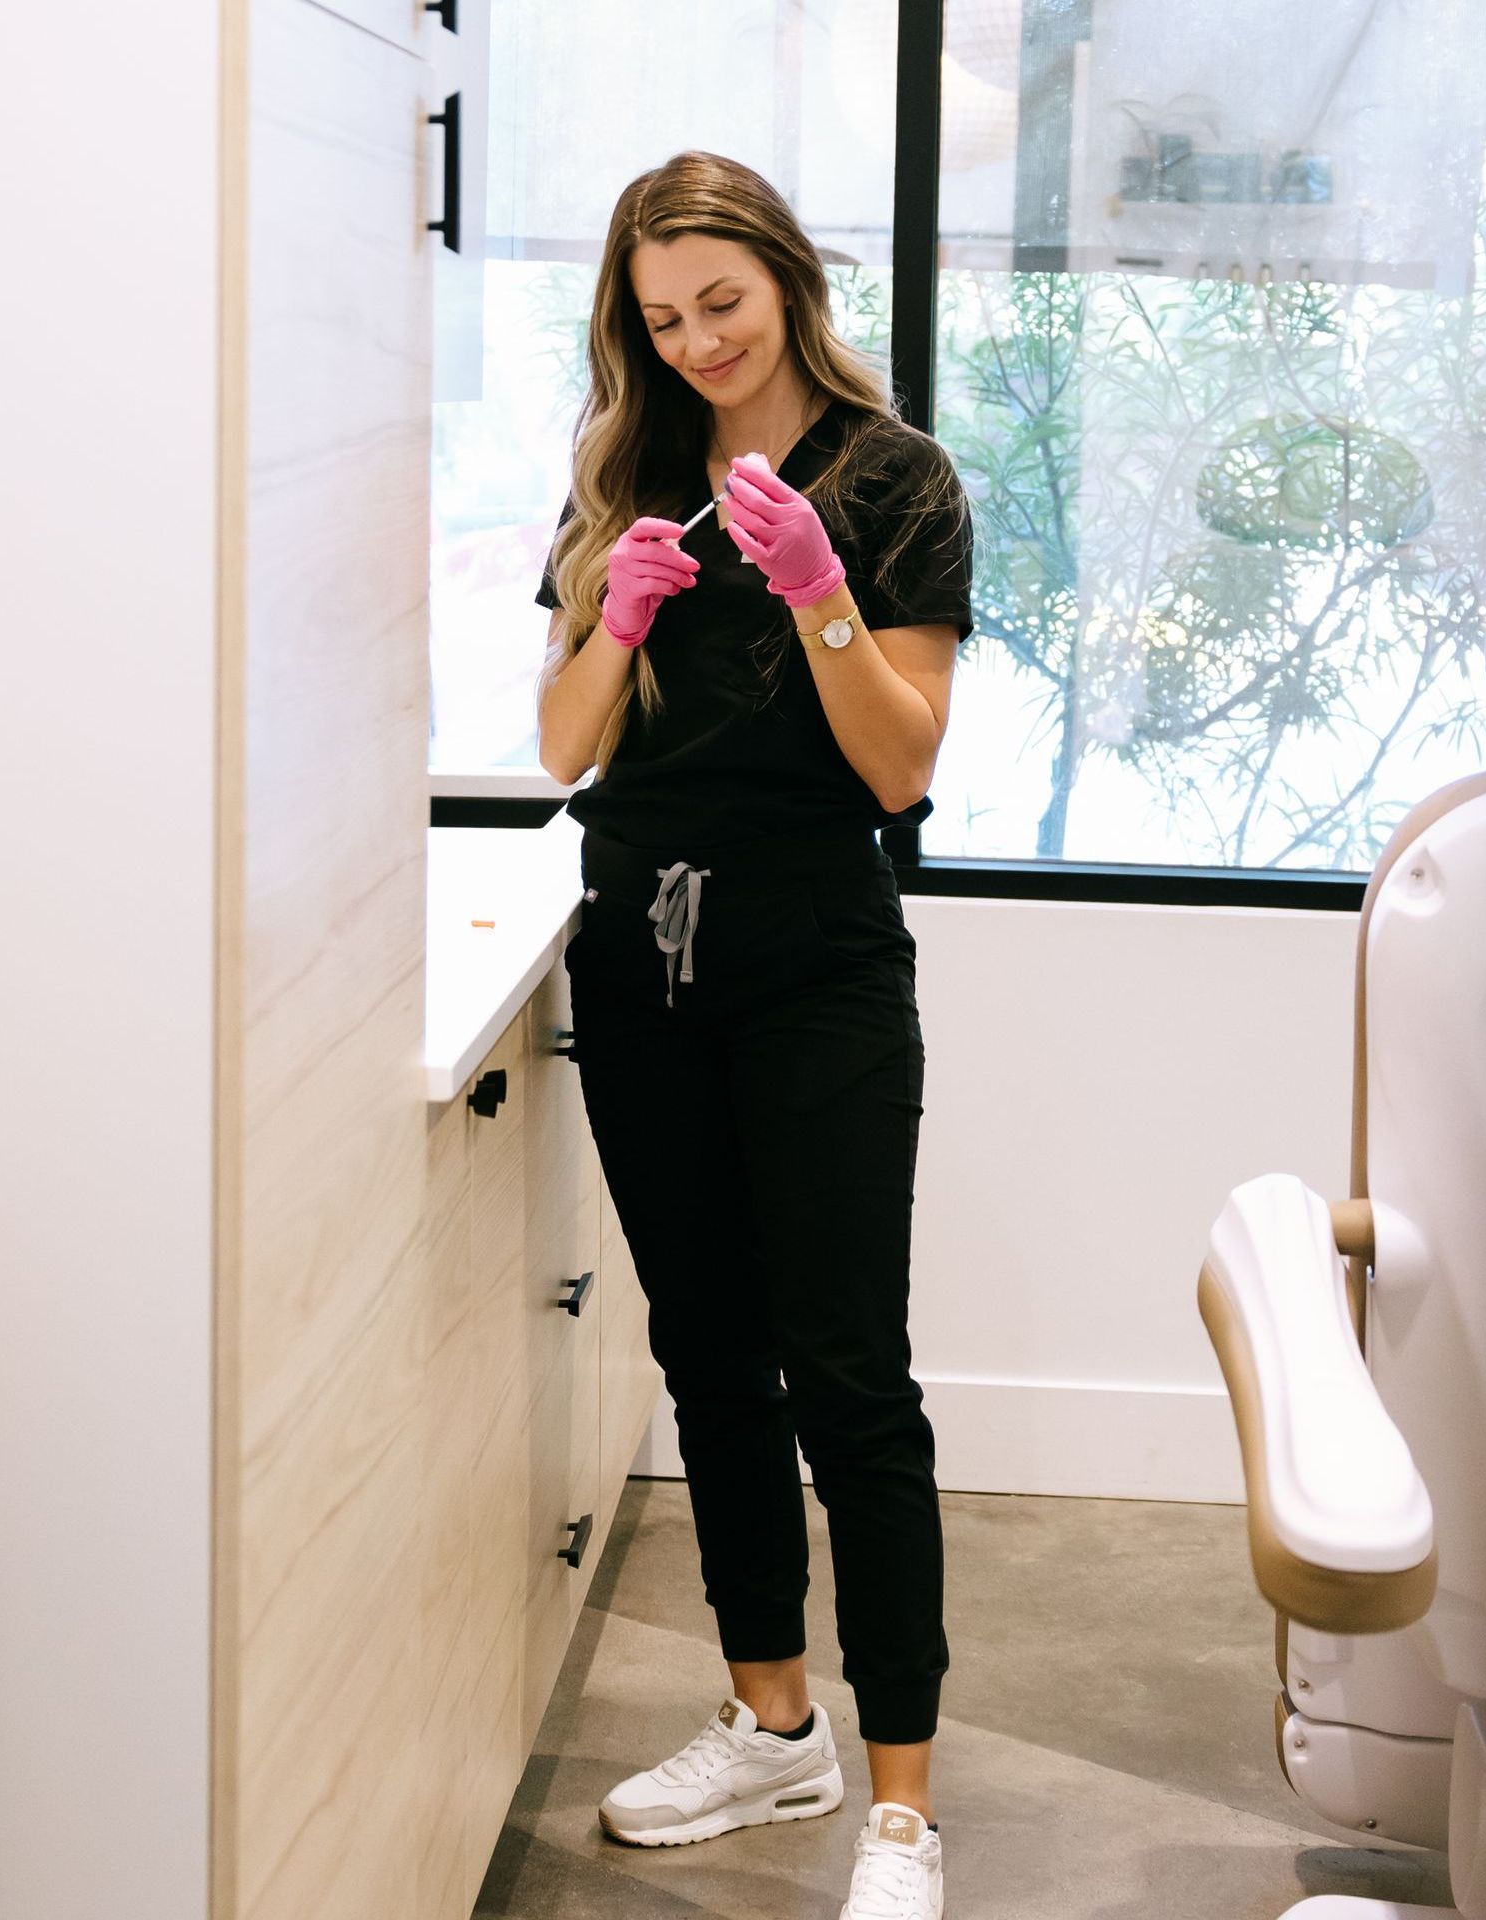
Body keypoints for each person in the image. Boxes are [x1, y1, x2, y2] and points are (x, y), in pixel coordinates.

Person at [532, 149, 973, 1920]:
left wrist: (818, 591)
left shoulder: (895, 480)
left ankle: (903, 1808)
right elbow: (567, 744)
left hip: (815, 964)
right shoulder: (622, 473)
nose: (699, 341)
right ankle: (772, 1719)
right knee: (711, 1359)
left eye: (724, 301)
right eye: (661, 318)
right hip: (643, 963)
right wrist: (617, 615)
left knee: (852, 1375)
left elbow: (902, 764)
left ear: (789, 279)